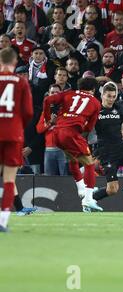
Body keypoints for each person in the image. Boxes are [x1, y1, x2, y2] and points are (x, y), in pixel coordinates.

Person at [42, 77, 103, 213]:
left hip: (56, 132)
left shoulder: (68, 93)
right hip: (71, 132)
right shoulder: (96, 102)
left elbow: (47, 100)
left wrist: (47, 120)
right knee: (89, 163)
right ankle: (88, 198)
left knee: (72, 159)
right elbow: (90, 127)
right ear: (93, 89)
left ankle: (81, 188)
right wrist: (81, 133)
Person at [0, 48, 33, 232]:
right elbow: (28, 112)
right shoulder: (20, 82)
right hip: (13, 134)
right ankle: (2, 221)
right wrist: (17, 125)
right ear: (14, 63)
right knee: (8, 180)